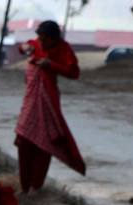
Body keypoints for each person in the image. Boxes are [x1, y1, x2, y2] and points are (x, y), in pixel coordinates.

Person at [14, 20, 83, 192]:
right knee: (24, 140)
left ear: (53, 39)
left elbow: (74, 72)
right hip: (31, 100)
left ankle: (36, 185)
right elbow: (24, 47)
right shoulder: (37, 43)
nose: (41, 42)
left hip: (48, 100)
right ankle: (24, 185)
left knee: (44, 143)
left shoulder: (63, 48)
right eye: (40, 38)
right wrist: (26, 48)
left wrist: (51, 65)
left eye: (45, 40)